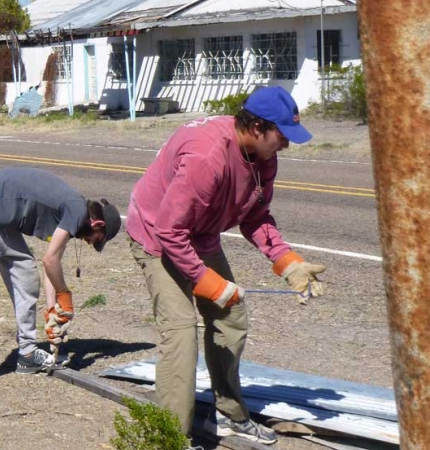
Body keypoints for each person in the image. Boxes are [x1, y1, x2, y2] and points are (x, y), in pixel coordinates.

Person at [125, 86, 326, 444]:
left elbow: (256, 215)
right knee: (180, 331)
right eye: (282, 135)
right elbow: (170, 230)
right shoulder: (207, 158)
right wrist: (207, 281)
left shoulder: (263, 159)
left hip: (199, 234)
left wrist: (286, 261)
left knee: (231, 318)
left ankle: (231, 414)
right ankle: (170, 437)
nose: (286, 145)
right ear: (256, 128)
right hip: (157, 235)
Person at [0, 167, 121, 393]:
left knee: (26, 277)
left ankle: (27, 354)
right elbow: (50, 260)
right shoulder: (76, 210)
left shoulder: (73, 212)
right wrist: (65, 297)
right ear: (97, 224)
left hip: (1, 220)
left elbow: (52, 263)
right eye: (97, 240)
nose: (91, 243)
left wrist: (52, 313)